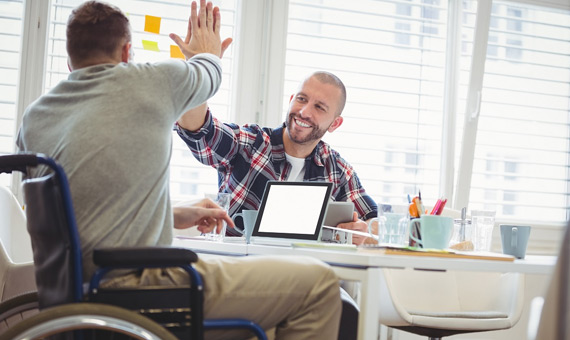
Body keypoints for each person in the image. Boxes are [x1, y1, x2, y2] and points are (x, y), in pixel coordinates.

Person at [16, 1, 342, 339]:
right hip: (143, 286)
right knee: (319, 284)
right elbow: (209, 74)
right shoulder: (150, 82)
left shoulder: (35, 117)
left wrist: (171, 214)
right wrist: (206, 53)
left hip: (73, 295)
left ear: (69, 59)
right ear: (127, 52)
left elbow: (75, 214)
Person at [176, 71, 378, 244]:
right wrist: (200, 71)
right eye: (302, 99)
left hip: (299, 276)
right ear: (291, 100)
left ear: (335, 124)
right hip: (236, 269)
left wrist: (364, 232)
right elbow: (199, 131)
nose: (304, 111)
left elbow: (376, 222)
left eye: (319, 107)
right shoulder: (251, 143)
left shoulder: (337, 169)